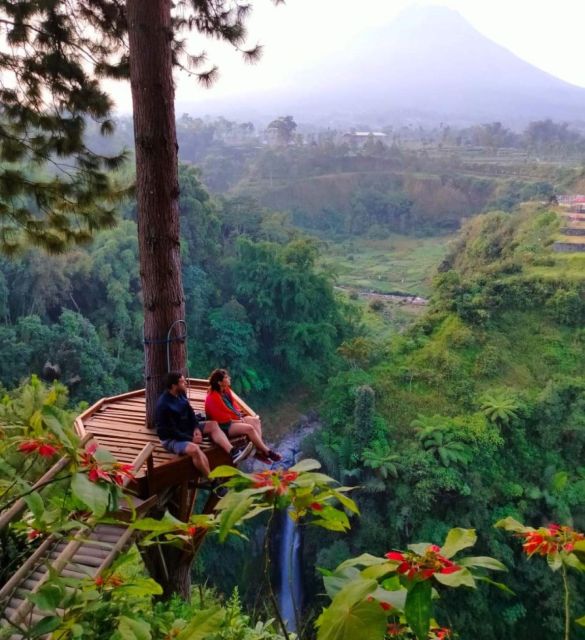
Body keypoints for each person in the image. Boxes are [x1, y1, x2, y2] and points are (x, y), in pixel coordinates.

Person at [155, 372, 252, 477]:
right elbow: (171, 431)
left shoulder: (180, 394)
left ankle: (233, 452)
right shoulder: (164, 405)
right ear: (174, 386)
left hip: (186, 429)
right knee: (195, 449)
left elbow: (190, 413)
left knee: (213, 424)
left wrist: (196, 428)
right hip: (172, 439)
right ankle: (212, 480)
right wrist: (191, 438)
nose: (185, 383)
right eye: (182, 382)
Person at [205, 369, 281, 463]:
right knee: (249, 429)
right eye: (226, 377)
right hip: (222, 426)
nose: (229, 378)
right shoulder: (212, 398)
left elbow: (233, 408)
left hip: (232, 419)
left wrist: (241, 418)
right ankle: (267, 451)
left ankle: (259, 449)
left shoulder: (225, 390)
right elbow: (222, 420)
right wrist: (240, 421)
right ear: (220, 382)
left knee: (256, 421)